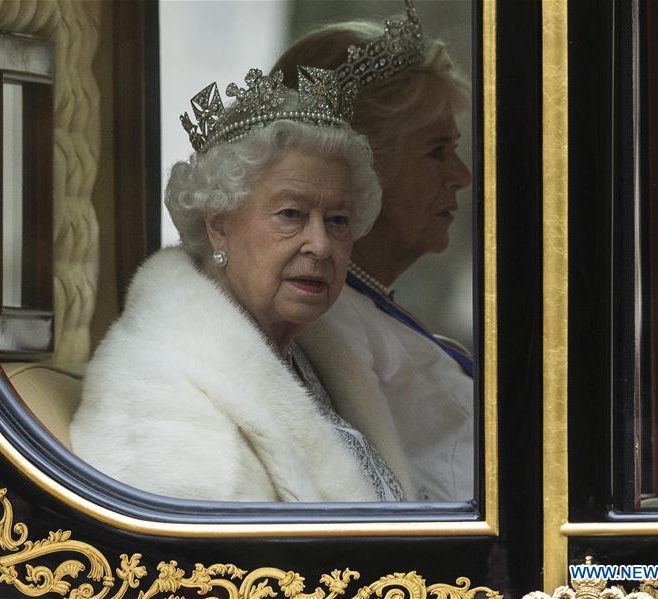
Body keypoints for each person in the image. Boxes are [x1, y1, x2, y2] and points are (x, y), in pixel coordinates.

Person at [71, 66, 417, 502]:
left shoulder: (314, 360)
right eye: (291, 214)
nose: (321, 244)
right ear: (218, 224)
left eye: (337, 220)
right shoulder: (158, 389)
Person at [272, 1, 475, 502]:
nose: (462, 176)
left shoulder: (357, 309)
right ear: (357, 168)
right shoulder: (321, 324)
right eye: (436, 151)